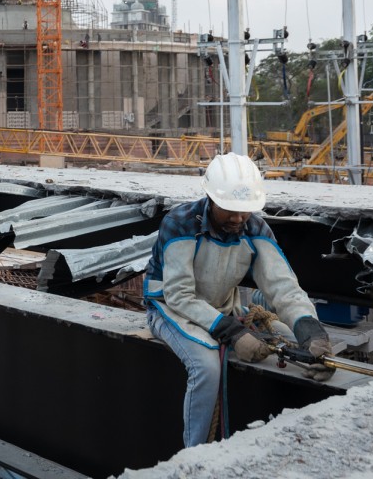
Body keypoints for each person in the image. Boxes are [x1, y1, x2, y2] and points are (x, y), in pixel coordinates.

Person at [143, 153, 334, 448]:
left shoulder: (255, 229)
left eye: (245, 211)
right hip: (169, 308)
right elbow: (179, 295)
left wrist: (310, 330)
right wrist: (232, 332)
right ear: (210, 198)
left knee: (289, 338)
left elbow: (283, 286)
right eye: (230, 209)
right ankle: (194, 455)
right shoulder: (179, 223)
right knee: (207, 369)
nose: (237, 218)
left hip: (223, 310)